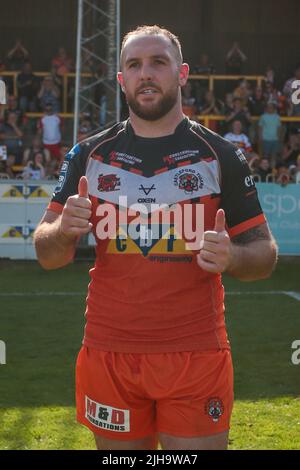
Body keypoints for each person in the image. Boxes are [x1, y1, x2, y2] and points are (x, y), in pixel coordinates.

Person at [34, 25, 278, 451]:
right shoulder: (88, 155)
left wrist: (233, 258)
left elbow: (265, 254)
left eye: (158, 62)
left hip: (195, 352)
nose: (146, 73)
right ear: (121, 80)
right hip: (109, 350)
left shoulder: (220, 154)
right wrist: (62, 230)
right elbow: (47, 254)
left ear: (181, 73)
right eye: (134, 65)